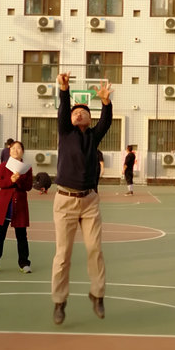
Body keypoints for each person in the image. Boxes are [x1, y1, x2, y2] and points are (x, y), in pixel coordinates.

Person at [52, 72, 113, 325]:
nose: (78, 114)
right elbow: (63, 110)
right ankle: (59, 301)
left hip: (89, 202)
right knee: (63, 254)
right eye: (75, 112)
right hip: (65, 201)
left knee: (95, 249)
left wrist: (105, 102)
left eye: (83, 112)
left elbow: (105, 123)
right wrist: (64, 90)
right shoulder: (65, 133)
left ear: (89, 119)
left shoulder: (93, 137)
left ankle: (97, 295)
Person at [0, 141, 33, 274]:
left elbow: (28, 186)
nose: (15, 150)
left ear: (22, 151)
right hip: (4, 205)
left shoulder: (27, 168)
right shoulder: (3, 165)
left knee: (21, 236)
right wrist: (10, 180)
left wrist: (19, 179)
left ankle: (24, 263)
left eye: (18, 148)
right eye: (13, 148)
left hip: (20, 205)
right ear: (9, 151)